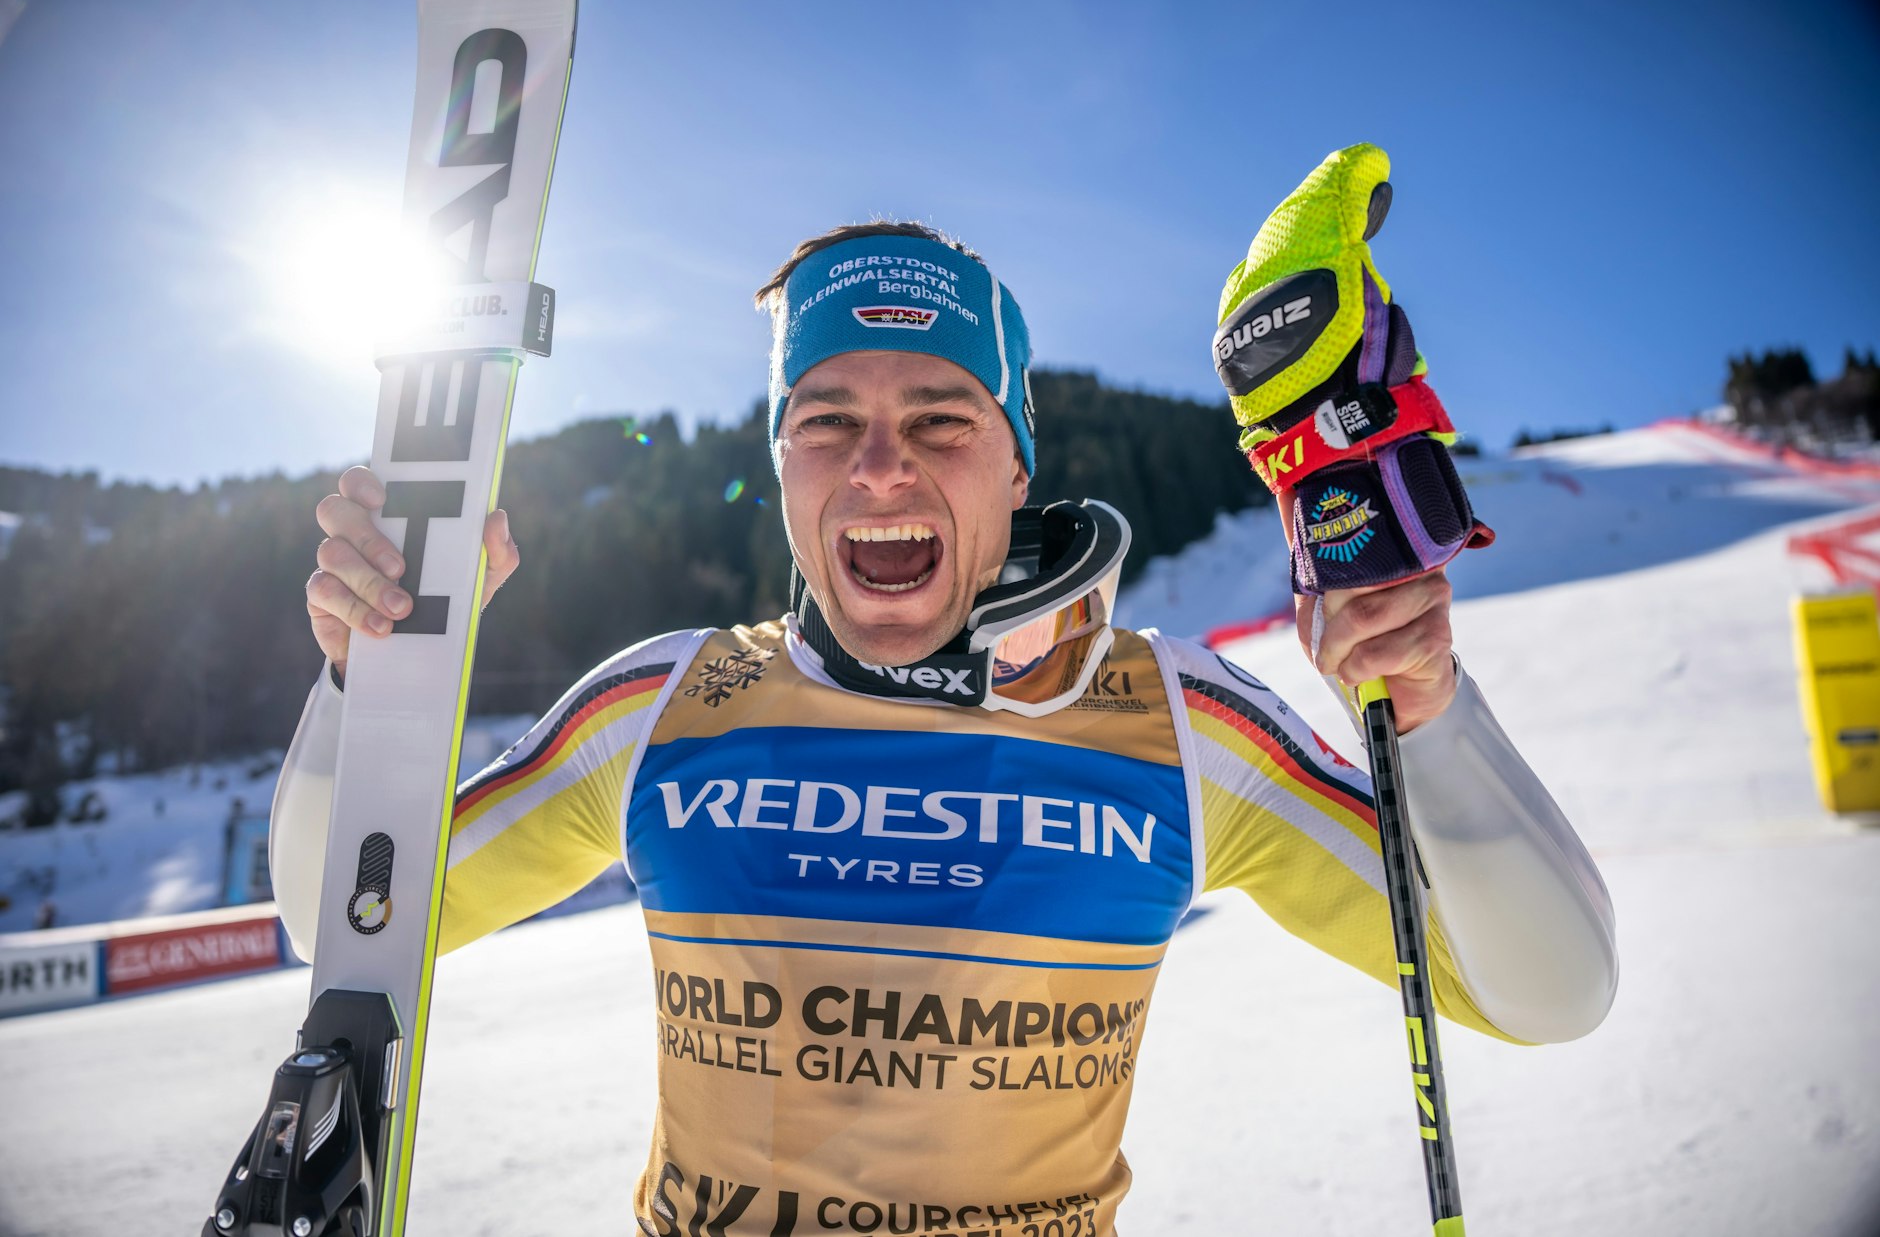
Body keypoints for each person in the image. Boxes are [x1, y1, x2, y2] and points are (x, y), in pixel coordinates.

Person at [275, 220, 1617, 1235]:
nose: (880, 466)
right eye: (827, 421)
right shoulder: (663, 705)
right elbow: (347, 923)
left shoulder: (1175, 720)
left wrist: (1430, 713)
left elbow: (1548, 992)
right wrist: (364, 681)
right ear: (785, 461)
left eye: (940, 418)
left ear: (1019, 460)